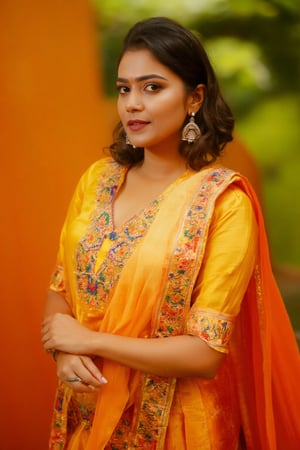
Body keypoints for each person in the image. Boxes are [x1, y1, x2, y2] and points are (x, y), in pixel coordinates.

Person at [41, 17, 300, 450]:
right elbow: (61, 289)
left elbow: (203, 355)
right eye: (124, 88)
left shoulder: (223, 202)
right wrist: (65, 352)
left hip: (176, 429)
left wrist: (88, 340)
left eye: (152, 87)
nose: (132, 104)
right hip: (85, 419)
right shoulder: (97, 181)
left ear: (195, 97)